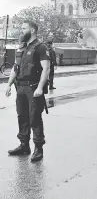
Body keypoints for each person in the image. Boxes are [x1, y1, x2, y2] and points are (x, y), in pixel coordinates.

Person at [5, 20, 50, 162]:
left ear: (32, 30)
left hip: (33, 87)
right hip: (21, 88)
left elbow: (46, 69)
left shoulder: (40, 47)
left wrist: (40, 88)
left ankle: (38, 148)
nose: (21, 30)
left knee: (34, 117)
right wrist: (9, 84)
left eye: (23, 28)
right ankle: (24, 145)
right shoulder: (22, 47)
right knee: (22, 117)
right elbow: (15, 67)